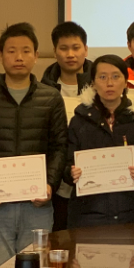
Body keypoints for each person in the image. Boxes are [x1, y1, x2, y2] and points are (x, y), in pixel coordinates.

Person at [0, 23, 68, 268]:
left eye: (26, 51)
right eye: (11, 51)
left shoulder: (51, 97)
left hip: (37, 205)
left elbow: (59, 147)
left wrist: (50, 184)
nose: (19, 57)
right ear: (0, 55)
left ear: (36, 55)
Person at [66, 55, 134, 227]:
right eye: (103, 77)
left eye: (115, 76)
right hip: (88, 213)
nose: (109, 83)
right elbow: (66, 162)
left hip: (129, 211)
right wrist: (71, 172)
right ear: (93, 83)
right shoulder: (80, 120)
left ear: (126, 82)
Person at [41, 21, 93, 231]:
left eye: (76, 47)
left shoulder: (101, 86)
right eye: (63, 48)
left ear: (86, 50)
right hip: (56, 186)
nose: (70, 54)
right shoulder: (43, 90)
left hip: (94, 181)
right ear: (55, 52)